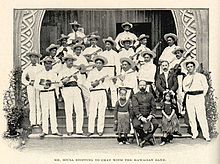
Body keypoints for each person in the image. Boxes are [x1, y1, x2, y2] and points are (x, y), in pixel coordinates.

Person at [182, 59, 210, 141]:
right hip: (190, 97)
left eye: (191, 66)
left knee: (201, 116)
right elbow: (184, 88)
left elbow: (206, 87)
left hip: (199, 97)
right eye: (188, 67)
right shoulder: (186, 78)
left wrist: (202, 95)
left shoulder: (201, 76)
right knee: (191, 116)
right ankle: (194, 133)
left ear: (194, 67)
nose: (189, 68)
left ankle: (206, 135)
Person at [34, 56, 62, 138]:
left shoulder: (54, 74)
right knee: (45, 111)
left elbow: (58, 84)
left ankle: (54, 130)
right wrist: (43, 87)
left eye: (50, 63)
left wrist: (57, 85)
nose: (48, 65)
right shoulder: (40, 74)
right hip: (43, 93)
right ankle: (45, 130)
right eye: (46, 63)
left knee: (53, 111)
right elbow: (36, 85)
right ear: (44, 64)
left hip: (51, 93)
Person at [58, 54, 84, 136]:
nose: (70, 62)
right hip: (66, 90)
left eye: (72, 61)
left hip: (76, 89)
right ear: (65, 62)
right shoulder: (62, 71)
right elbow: (58, 83)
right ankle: (69, 130)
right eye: (69, 60)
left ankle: (79, 130)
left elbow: (82, 83)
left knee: (79, 109)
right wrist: (64, 81)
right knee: (68, 110)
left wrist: (77, 79)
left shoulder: (76, 71)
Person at [86, 55, 109, 137]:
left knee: (101, 112)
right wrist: (93, 84)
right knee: (92, 111)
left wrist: (101, 82)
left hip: (102, 92)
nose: (98, 64)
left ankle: (100, 130)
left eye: (100, 63)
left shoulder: (106, 73)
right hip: (93, 93)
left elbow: (108, 85)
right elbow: (87, 83)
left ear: (103, 64)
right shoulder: (92, 72)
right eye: (97, 63)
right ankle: (90, 130)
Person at [131, 80, 159, 148]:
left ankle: (144, 140)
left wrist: (151, 115)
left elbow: (154, 107)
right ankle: (147, 138)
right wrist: (141, 117)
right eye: (141, 85)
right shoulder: (135, 96)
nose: (142, 87)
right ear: (138, 86)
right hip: (139, 116)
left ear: (146, 86)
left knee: (156, 124)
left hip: (148, 115)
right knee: (136, 125)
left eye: (144, 85)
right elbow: (135, 108)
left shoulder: (150, 95)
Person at [21, 51, 44, 127]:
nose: (33, 59)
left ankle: (39, 122)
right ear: (30, 58)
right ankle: (33, 122)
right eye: (32, 57)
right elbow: (23, 79)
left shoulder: (41, 67)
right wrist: (28, 83)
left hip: (38, 86)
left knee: (39, 103)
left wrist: (40, 83)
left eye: (35, 57)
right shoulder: (27, 68)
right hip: (31, 86)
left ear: (37, 58)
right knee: (32, 103)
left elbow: (43, 77)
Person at [100, 37, 120, 108]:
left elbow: (117, 65)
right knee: (104, 87)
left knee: (113, 88)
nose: (107, 46)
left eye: (109, 44)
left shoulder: (115, 53)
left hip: (112, 70)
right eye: (106, 44)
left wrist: (116, 76)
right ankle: (104, 104)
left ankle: (114, 104)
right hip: (104, 70)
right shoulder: (102, 54)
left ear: (111, 45)